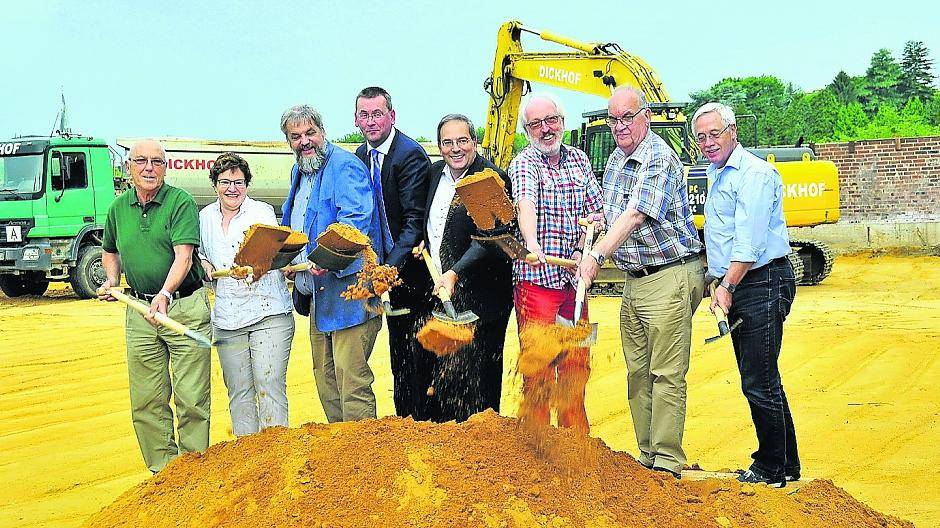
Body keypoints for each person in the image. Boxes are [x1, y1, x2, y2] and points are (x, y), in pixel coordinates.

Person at [578, 87, 705, 479]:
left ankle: (667, 460)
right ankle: (648, 456)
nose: (619, 127)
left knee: (665, 372)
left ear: (645, 117)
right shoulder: (616, 159)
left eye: (626, 118)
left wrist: (597, 255)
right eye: (613, 120)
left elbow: (635, 216)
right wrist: (596, 224)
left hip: (670, 273)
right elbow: (613, 212)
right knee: (637, 371)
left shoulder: (658, 158)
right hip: (635, 278)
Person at [692, 101, 800, 488]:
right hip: (746, 283)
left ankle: (770, 468)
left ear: (733, 132)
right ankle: (786, 463)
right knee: (764, 377)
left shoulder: (753, 174)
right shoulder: (717, 172)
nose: (708, 142)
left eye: (714, 134)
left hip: (761, 282)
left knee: (758, 380)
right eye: (701, 136)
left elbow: (749, 244)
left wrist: (726, 287)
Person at [97, 139, 211, 473]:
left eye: (157, 162)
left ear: (166, 167)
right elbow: (110, 250)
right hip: (139, 311)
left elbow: (184, 255)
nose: (149, 167)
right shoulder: (118, 208)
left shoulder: (180, 202)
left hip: (182, 307)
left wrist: (165, 294)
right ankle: (163, 472)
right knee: (147, 399)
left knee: (192, 398)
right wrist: (113, 280)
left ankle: (192, 473)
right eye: (142, 161)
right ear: (128, 166)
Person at [280, 104, 384, 423]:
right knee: (325, 379)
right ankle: (341, 454)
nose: (304, 141)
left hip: (350, 292)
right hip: (318, 293)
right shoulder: (301, 170)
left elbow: (354, 222)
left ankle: (364, 456)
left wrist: (323, 257)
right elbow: (295, 223)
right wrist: (286, 258)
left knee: (351, 381)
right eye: (296, 136)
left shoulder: (344, 166)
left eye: (310, 133)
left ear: (323, 132)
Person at [510, 93, 604, 433]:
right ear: (526, 129)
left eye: (551, 120)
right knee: (538, 365)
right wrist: (533, 244)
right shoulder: (524, 163)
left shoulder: (579, 159)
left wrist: (582, 249)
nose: (545, 129)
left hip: (573, 285)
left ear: (562, 122)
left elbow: (596, 211)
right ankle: (537, 443)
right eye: (536, 124)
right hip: (537, 284)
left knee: (577, 361)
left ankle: (574, 441)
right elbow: (525, 203)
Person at [419, 113, 514, 422]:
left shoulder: (491, 178)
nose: (455, 148)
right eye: (447, 142)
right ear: (439, 146)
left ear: (475, 142)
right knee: (447, 379)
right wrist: (424, 243)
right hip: (446, 297)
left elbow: (490, 239)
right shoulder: (435, 175)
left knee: (480, 383)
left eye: (462, 141)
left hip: (483, 299)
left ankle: (485, 455)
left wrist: (454, 272)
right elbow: (432, 222)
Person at [197, 153, 294, 436]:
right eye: (225, 181)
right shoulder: (204, 218)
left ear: (247, 184)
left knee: (269, 385)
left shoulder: (261, 213)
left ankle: (276, 456)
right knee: (239, 392)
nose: (232, 188)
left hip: (268, 312)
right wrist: (204, 264)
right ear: (215, 184)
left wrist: (257, 264)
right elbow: (201, 254)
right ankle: (248, 460)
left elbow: (271, 253)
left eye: (238, 182)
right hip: (228, 319)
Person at [353, 86, 432, 419]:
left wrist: (386, 271)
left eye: (377, 114)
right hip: (383, 275)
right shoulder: (360, 156)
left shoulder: (409, 155)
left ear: (392, 116)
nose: (371, 122)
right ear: (356, 119)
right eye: (364, 114)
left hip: (411, 275)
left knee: (416, 361)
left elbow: (413, 224)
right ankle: (404, 425)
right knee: (398, 359)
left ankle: (423, 426)